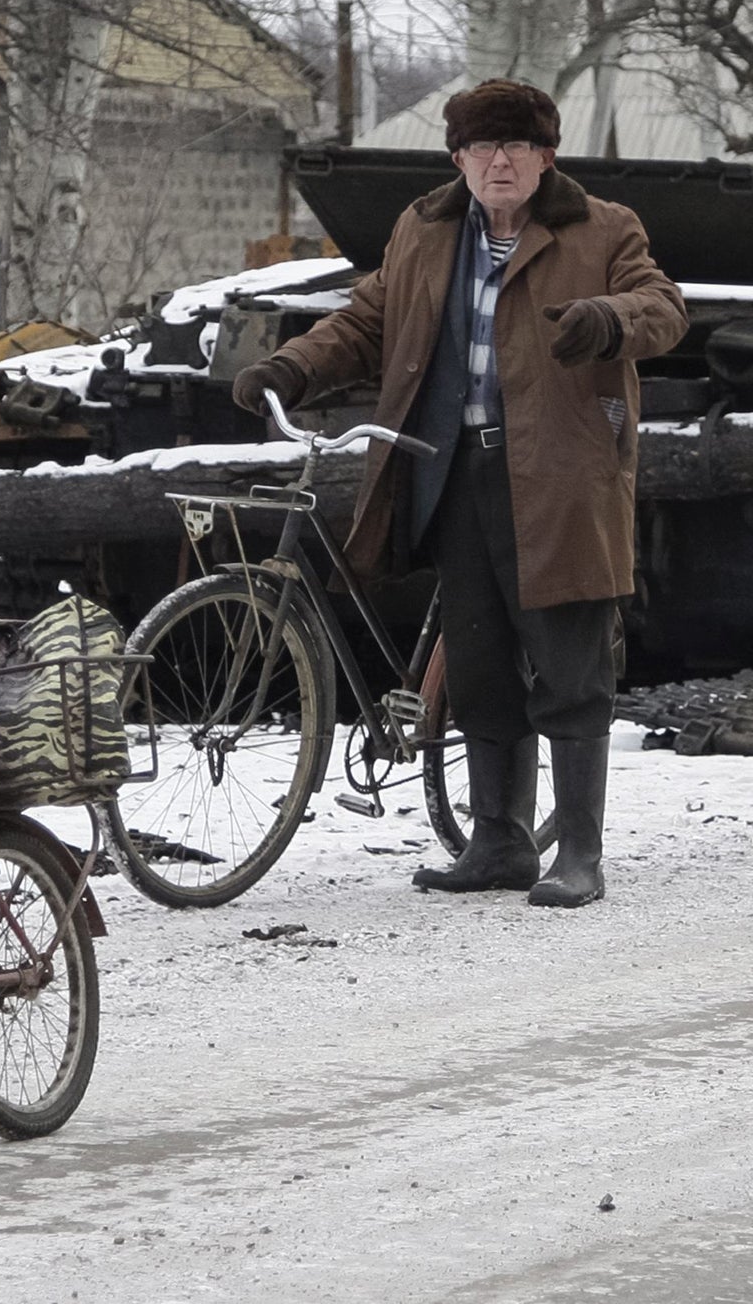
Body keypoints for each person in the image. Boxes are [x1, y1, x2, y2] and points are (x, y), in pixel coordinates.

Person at [232, 80, 686, 908]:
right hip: (453, 471)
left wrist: (608, 320)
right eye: (483, 148)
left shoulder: (604, 228)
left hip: (560, 477)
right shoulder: (425, 230)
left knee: (568, 665)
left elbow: (663, 307)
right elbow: (368, 322)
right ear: (459, 160)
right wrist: (292, 366)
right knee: (478, 664)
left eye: (517, 146)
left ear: (546, 158)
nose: (500, 161)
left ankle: (579, 853)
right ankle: (500, 844)